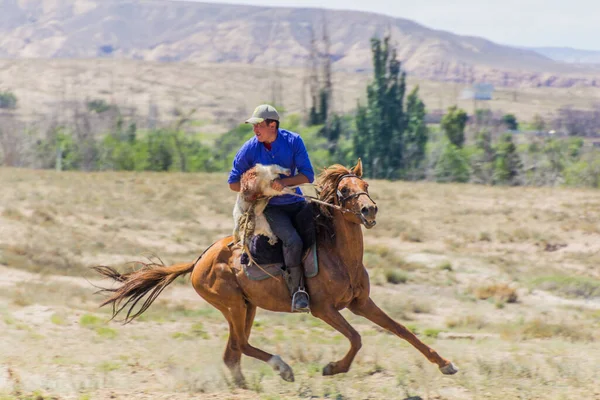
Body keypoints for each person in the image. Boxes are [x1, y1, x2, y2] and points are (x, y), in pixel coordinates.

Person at [228, 104, 315, 313]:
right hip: (271, 208)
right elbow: (233, 183)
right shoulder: (249, 148)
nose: (255, 130)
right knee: (292, 240)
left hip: (296, 202)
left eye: (258, 125)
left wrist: (285, 183)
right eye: (253, 126)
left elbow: (308, 175)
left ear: (272, 125)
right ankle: (297, 292)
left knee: (321, 229)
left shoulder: (294, 141)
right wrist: (256, 189)